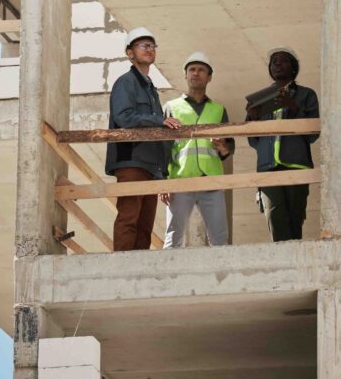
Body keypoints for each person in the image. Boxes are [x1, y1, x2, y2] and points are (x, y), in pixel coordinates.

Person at [105, 27, 182, 251]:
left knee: (145, 224)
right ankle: (122, 265)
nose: (149, 50)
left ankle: (139, 266)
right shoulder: (126, 82)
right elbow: (124, 116)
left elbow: (159, 132)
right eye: (143, 46)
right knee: (129, 217)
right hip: (131, 161)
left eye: (152, 46)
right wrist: (158, 120)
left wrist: (164, 171)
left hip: (151, 166)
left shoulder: (151, 89)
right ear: (130, 53)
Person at [245, 47, 320, 242]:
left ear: (293, 69)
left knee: (295, 219)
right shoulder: (262, 99)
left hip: (297, 166)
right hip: (268, 169)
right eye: (274, 61)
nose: (277, 63)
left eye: (283, 60)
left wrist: (292, 106)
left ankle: (294, 265)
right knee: (275, 217)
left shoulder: (306, 95)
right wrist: (252, 118)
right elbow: (253, 140)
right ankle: (285, 259)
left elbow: (313, 134)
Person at [161, 52, 233, 247]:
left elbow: (229, 148)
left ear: (209, 77)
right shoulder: (171, 107)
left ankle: (222, 276)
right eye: (192, 69)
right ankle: (167, 276)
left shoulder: (218, 110)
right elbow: (163, 148)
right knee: (173, 238)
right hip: (179, 181)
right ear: (185, 75)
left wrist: (222, 146)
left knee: (220, 237)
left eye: (201, 70)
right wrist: (163, 182)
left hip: (211, 181)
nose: (196, 73)